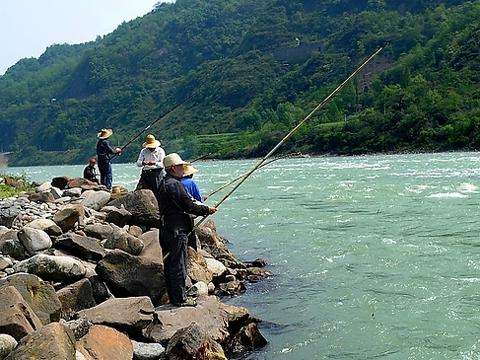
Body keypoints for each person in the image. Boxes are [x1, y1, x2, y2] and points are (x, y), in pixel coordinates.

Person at [156, 153, 217, 307]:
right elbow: (188, 206)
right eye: (180, 166)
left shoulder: (163, 183)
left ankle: (175, 296)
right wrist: (206, 210)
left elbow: (183, 203)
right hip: (177, 230)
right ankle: (180, 299)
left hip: (166, 228)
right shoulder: (175, 185)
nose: (183, 168)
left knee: (170, 263)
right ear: (172, 168)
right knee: (178, 264)